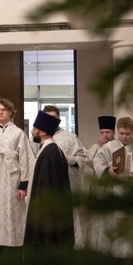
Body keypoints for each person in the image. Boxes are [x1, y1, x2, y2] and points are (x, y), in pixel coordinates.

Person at [93, 116, 133, 258]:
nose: (124, 137)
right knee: (113, 228)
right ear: (117, 131)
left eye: (127, 134)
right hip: (113, 193)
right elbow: (97, 162)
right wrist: (107, 170)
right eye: (121, 133)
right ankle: (113, 259)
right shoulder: (108, 148)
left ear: (132, 132)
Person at [0, 98, 33, 249]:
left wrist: (23, 185)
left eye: (4, 110)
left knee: (11, 212)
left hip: (12, 178)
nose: (0, 112)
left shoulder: (19, 133)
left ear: (10, 112)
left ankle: (13, 247)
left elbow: (25, 161)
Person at [24, 110, 74, 248]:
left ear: (43, 132)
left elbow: (45, 185)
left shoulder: (49, 152)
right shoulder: (51, 149)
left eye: (35, 129)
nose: (32, 131)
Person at [43, 105, 87, 248]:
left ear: (59, 120)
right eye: (48, 117)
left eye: (54, 118)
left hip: (65, 183)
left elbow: (83, 157)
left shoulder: (70, 137)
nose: (51, 121)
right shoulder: (38, 138)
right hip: (46, 184)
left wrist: (71, 159)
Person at [80, 115, 115, 250]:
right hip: (98, 187)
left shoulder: (118, 146)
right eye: (102, 132)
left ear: (114, 133)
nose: (105, 135)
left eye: (108, 132)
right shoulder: (96, 146)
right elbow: (88, 161)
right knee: (95, 221)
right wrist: (99, 145)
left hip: (112, 188)